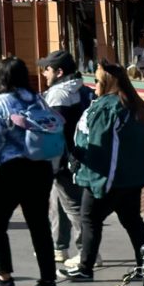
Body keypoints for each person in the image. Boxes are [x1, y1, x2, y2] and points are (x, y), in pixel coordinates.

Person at [57, 60, 144, 282]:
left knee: (90, 220)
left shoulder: (109, 108)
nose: (94, 85)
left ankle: (85, 269)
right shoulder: (136, 105)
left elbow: (100, 146)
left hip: (106, 177)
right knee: (133, 221)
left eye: (96, 80)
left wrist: (91, 174)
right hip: (130, 178)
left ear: (107, 82)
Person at [0, 56, 61, 286]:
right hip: (41, 166)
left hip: (13, 168)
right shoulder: (38, 99)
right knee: (39, 223)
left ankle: (4, 279)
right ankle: (48, 281)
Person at [38, 49, 96, 266]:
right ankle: (59, 247)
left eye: (47, 69)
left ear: (59, 72)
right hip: (79, 155)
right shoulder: (84, 90)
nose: (44, 73)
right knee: (58, 201)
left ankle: (87, 252)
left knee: (73, 206)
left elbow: (53, 130)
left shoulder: (58, 95)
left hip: (64, 158)